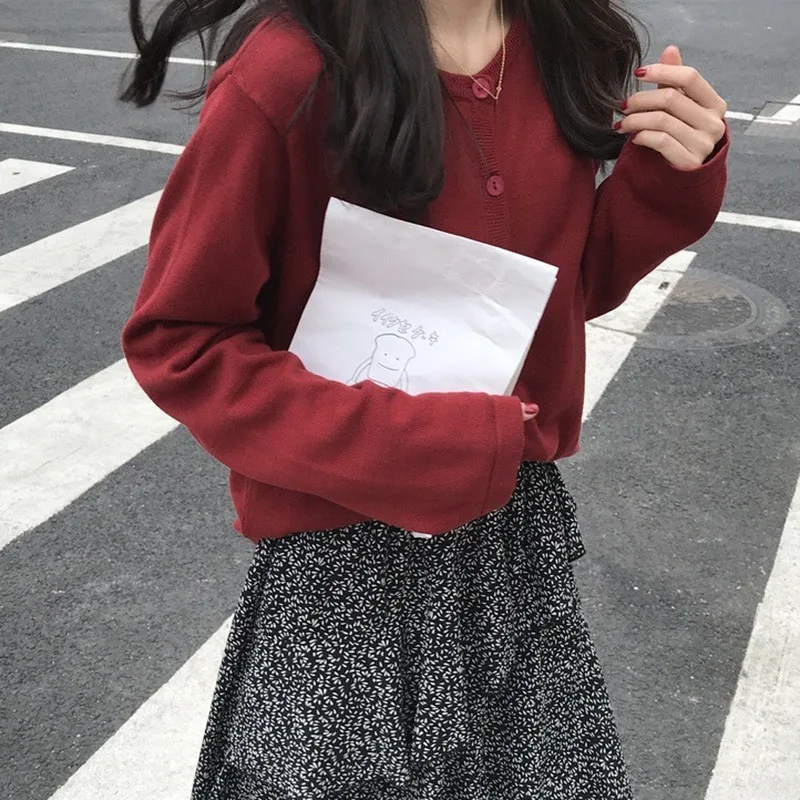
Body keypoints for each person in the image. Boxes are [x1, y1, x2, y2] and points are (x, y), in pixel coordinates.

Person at [119, 0, 729, 796]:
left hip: (512, 546)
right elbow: (182, 339)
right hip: (343, 579)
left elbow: (551, 301)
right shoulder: (290, 70)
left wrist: (670, 176)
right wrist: (429, 445)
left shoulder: (563, 42)